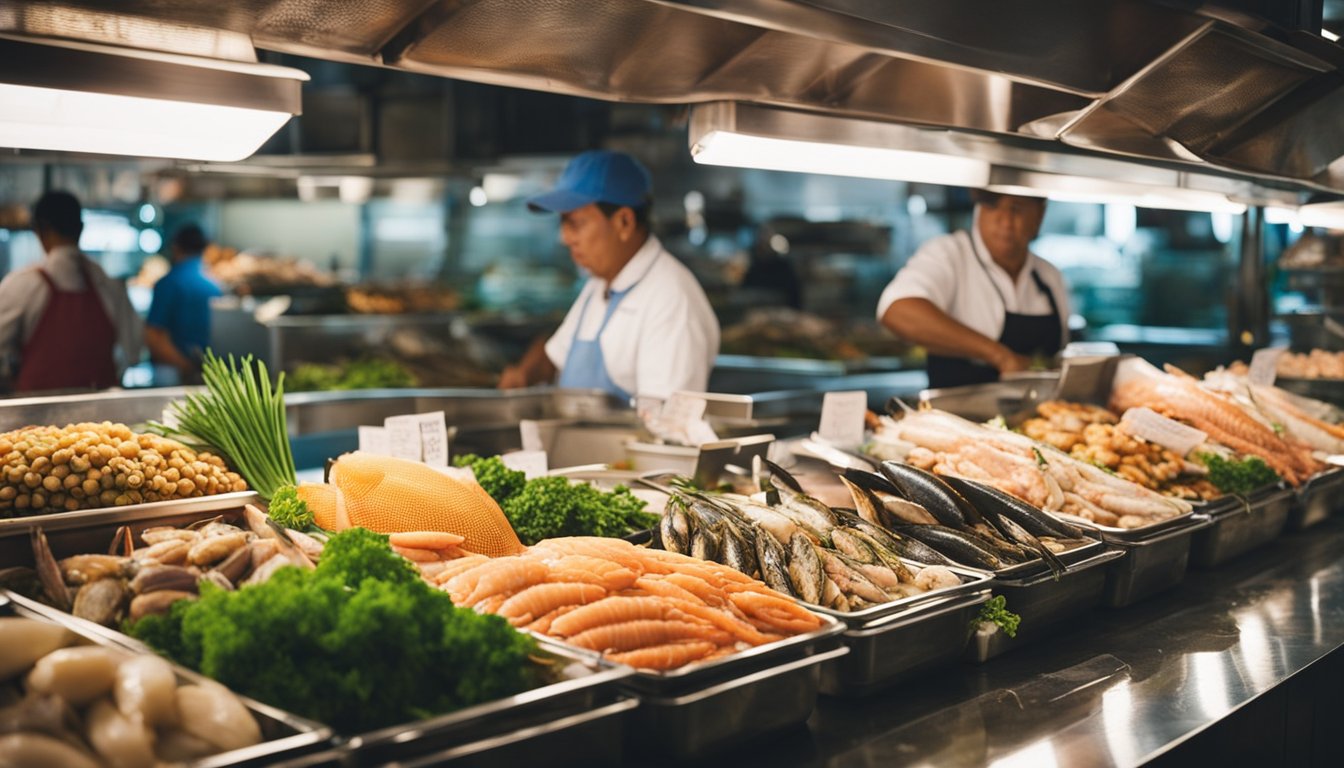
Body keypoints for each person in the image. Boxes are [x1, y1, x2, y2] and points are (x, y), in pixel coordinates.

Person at [498, 150, 720, 401]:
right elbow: (554, 355)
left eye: (576, 223)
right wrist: (526, 374)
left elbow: (666, 426)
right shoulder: (600, 283)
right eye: (562, 223)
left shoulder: (671, 301)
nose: (565, 238)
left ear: (624, 222)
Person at [877, 190, 1070, 389]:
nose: (1005, 221)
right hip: (953, 416)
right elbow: (896, 310)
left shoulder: (1049, 276)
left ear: (1039, 215)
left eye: (1016, 209)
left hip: (1041, 416)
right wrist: (1000, 356)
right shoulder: (948, 254)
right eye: (992, 206)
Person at [0, 190, 141, 393]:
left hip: (35, 416)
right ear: (81, 229)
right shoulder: (108, 284)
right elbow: (133, 352)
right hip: (101, 414)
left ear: (40, 230)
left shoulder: (21, 284)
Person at [145, 223, 224, 385]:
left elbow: (153, 337)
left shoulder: (167, 284)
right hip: (207, 373)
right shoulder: (215, 287)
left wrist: (186, 367)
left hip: (171, 374)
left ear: (175, 248)